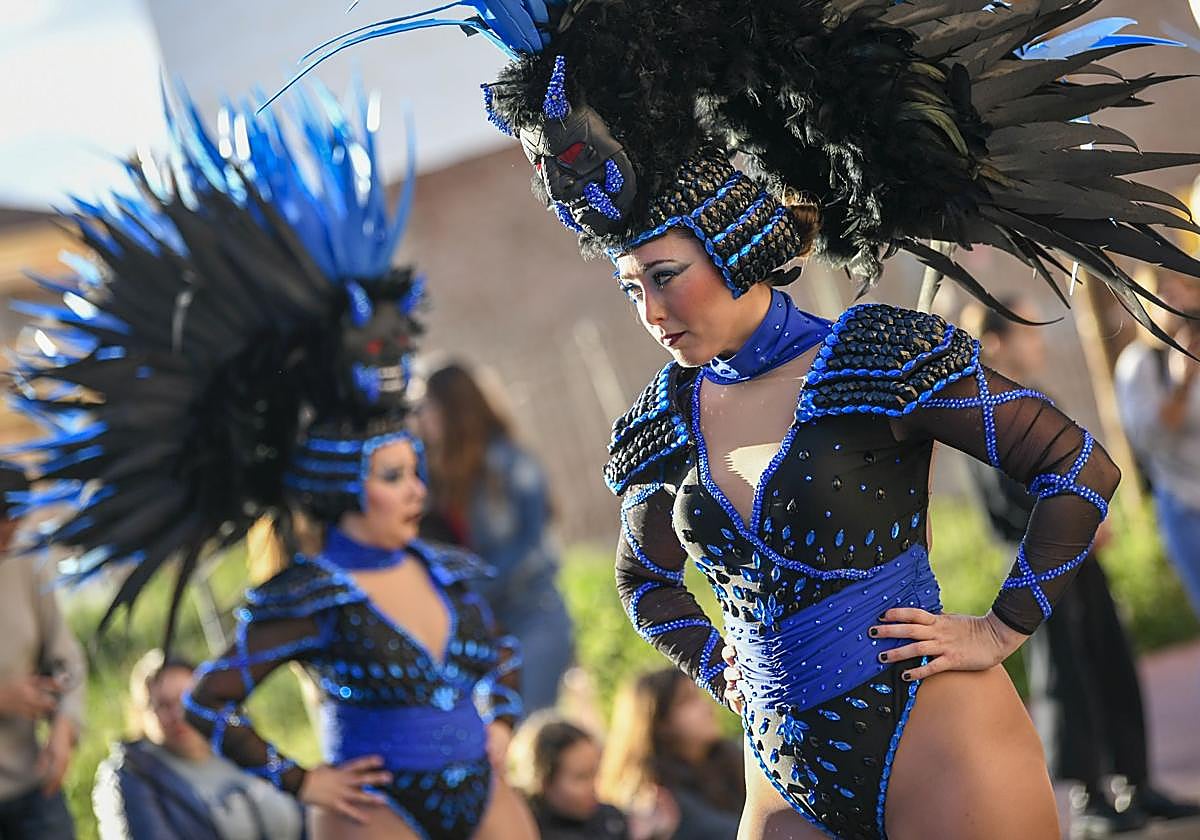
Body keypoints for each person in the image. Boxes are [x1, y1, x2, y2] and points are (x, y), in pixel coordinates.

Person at [15, 88, 534, 840]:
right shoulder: (311, 594)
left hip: (484, 799)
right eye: (393, 476)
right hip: (374, 815)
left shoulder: (444, 570)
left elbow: (506, 654)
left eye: (414, 469)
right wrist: (301, 780)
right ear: (342, 487)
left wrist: (503, 727)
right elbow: (210, 701)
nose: (417, 489)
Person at [964, 298, 1200, 836]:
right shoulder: (978, 409)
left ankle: (1134, 781)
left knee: (1109, 657)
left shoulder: (1029, 399)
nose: (1038, 341)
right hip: (1036, 565)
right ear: (996, 341)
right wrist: (1071, 523)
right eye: (1026, 331)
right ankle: (1091, 797)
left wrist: (1090, 515)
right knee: (1068, 674)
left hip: (1077, 556)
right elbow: (1006, 501)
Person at [418, 363, 573, 713]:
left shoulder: (508, 463)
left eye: (427, 406)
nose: (421, 417)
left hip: (532, 615)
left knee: (527, 728)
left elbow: (535, 549)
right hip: (486, 627)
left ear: (452, 408)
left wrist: (476, 589)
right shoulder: (437, 476)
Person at [93, 650, 304, 840]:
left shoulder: (241, 749)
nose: (178, 714)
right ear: (141, 713)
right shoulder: (133, 776)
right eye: (163, 705)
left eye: (186, 700)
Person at [0, 464, 84, 840]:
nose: (11, 533)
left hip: (32, 791)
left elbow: (65, 657)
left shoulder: (26, 561)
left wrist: (65, 727)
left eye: (16, 522)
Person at [1115, 268, 1200, 619]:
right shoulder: (1141, 364)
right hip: (1184, 503)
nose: (1177, 298)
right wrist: (1180, 387)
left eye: (1183, 288)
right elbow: (1147, 439)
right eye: (1164, 292)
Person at [598, 668, 743, 840]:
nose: (706, 706)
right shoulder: (653, 794)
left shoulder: (728, 760)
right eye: (688, 701)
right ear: (660, 722)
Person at [509, 711, 629, 840]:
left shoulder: (611, 820)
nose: (595, 786)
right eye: (582, 777)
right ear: (544, 782)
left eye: (596, 773)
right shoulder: (521, 828)